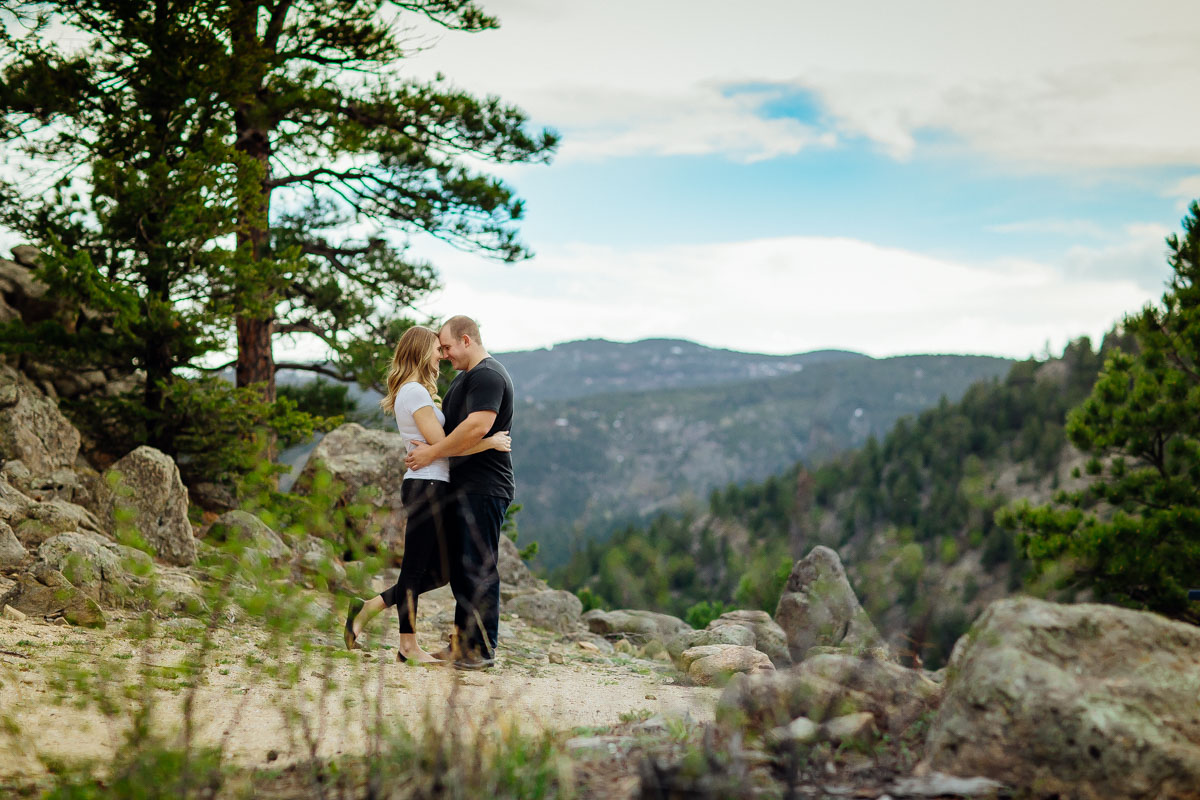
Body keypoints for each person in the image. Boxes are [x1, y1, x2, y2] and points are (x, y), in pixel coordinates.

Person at [343, 325, 510, 664]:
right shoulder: (415, 392)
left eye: (445, 348)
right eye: (437, 349)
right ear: (422, 351)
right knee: (416, 569)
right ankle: (408, 646)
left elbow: (439, 440)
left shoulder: (422, 391)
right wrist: (489, 442)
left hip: (435, 484)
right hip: (428, 484)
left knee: (441, 571)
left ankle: (369, 607)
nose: (441, 355)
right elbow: (439, 444)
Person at [405, 315, 515, 670]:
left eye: (448, 346)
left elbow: (476, 426)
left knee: (479, 566)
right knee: (462, 568)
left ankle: (481, 649)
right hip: (463, 485)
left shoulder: (488, 375)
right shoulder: (467, 378)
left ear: (467, 340)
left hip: (485, 486)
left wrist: (431, 454)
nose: (446, 354)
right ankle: (462, 642)